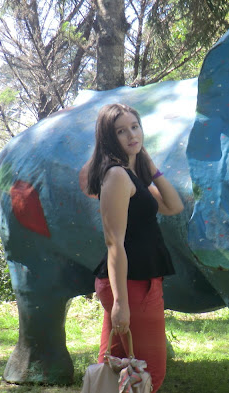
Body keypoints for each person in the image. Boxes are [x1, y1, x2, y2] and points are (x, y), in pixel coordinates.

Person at [86, 103, 184, 392]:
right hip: (131, 286)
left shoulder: (131, 175)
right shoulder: (117, 175)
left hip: (138, 282)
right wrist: (120, 303)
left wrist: (149, 164)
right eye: (121, 131)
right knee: (149, 373)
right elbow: (113, 241)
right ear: (108, 138)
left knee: (119, 369)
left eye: (134, 127)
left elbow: (174, 206)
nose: (131, 135)